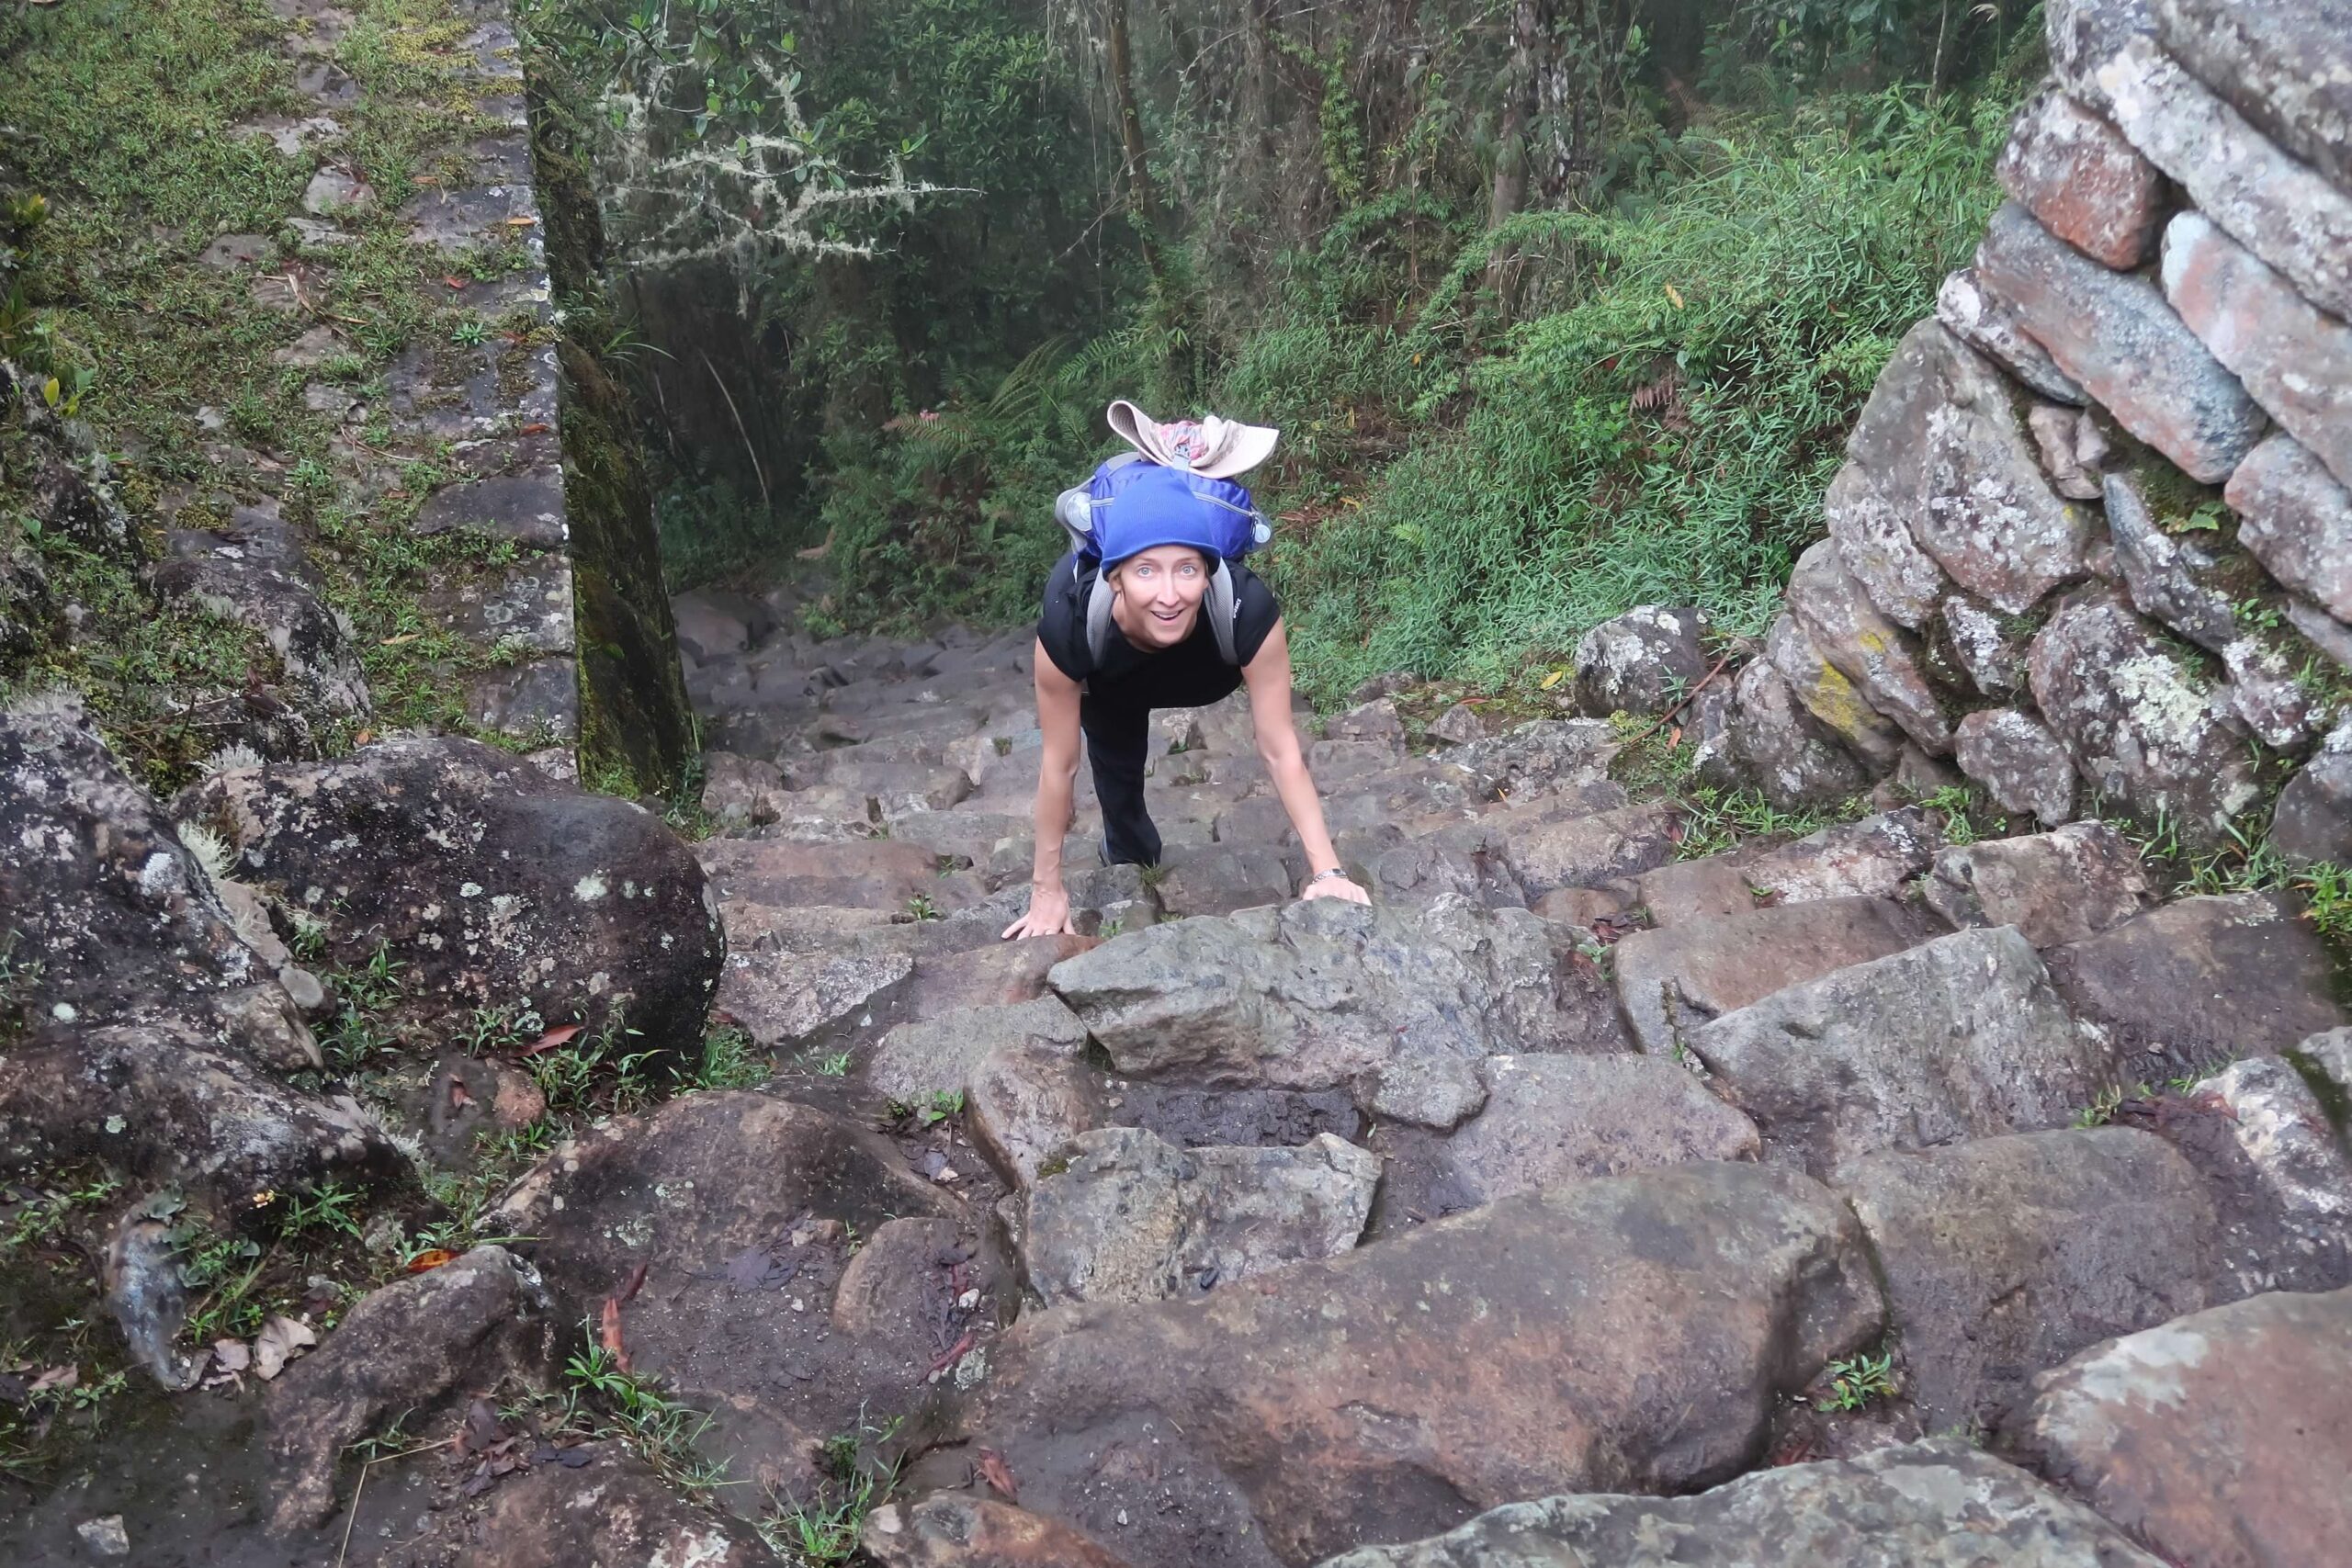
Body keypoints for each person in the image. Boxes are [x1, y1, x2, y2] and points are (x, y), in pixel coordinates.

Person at [1001, 434, 1371, 940]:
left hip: (1205, 672)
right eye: (1146, 571)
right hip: (1113, 678)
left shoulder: (1247, 610)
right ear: (1116, 579)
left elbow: (1280, 747)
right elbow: (1059, 765)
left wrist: (1329, 873)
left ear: (1209, 571)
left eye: (1188, 570)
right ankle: (1129, 850)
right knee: (1118, 776)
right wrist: (1047, 892)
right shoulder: (1070, 619)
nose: (1169, 595)